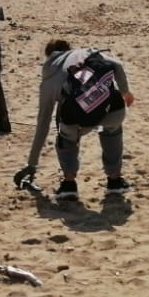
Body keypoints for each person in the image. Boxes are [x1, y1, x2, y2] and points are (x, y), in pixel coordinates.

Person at [17, 38, 134, 200]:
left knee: (66, 135)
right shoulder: (87, 53)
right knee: (112, 132)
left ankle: (69, 184)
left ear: (49, 56)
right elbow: (117, 66)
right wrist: (125, 93)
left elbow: (42, 125)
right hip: (111, 108)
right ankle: (115, 181)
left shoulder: (49, 80)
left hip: (78, 118)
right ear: (68, 49)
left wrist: (32, 164)